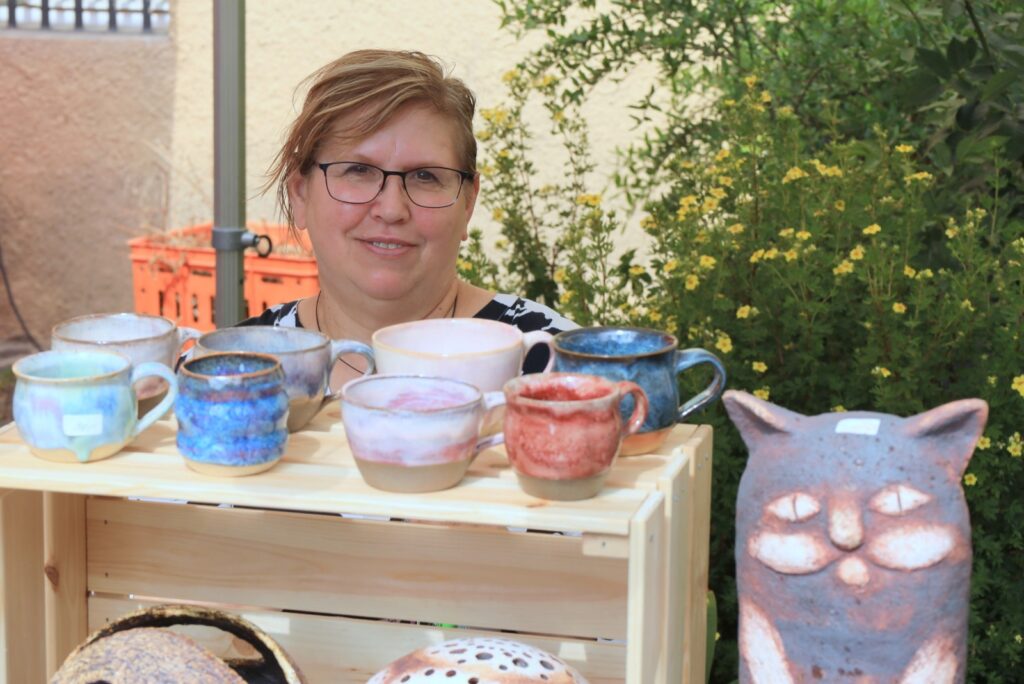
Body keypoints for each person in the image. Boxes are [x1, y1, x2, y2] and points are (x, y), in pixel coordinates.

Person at [243, 49, 575, 391]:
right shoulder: (231, 369)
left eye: (425, 176)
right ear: (300, 194)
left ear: (468, 202)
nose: (391, 209)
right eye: (358, 170)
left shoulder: (558, 364)